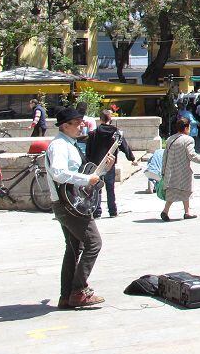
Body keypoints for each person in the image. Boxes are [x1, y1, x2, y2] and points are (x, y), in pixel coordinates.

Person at [44, 106, 113, 308]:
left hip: (71, 203)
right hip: (69, 206)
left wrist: (103, 169)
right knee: (94, 243)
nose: (82, 125)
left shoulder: (69, 144)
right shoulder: (59, 146)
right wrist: (86, 179)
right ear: (65, 126)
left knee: (74, 249)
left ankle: (66, 296)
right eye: (77, 122)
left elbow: (82, 173)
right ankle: (79, 290)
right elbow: (58, 172)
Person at [84, 109, 136, 218]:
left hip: (96, 165)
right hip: (109, 164)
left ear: (100, 119)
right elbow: (124, 146)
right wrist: (131, 158)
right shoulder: (116, 133)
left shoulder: (93, 134)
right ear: (110, 118)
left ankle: (97, 211)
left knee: (97, 189)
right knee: (110, 189)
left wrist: (88, 163)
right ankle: (112, 211)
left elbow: (88, 151)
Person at [160, 117, 200, 221]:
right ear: (186, 128)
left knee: (172, 191)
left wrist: (163, 170)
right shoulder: (188, 140)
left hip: (170, 170)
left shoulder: (170, 139)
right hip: (183, 170)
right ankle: (184, 212)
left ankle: (171, 211)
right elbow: (191, 155)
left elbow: (165, 155)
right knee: (186, 190)